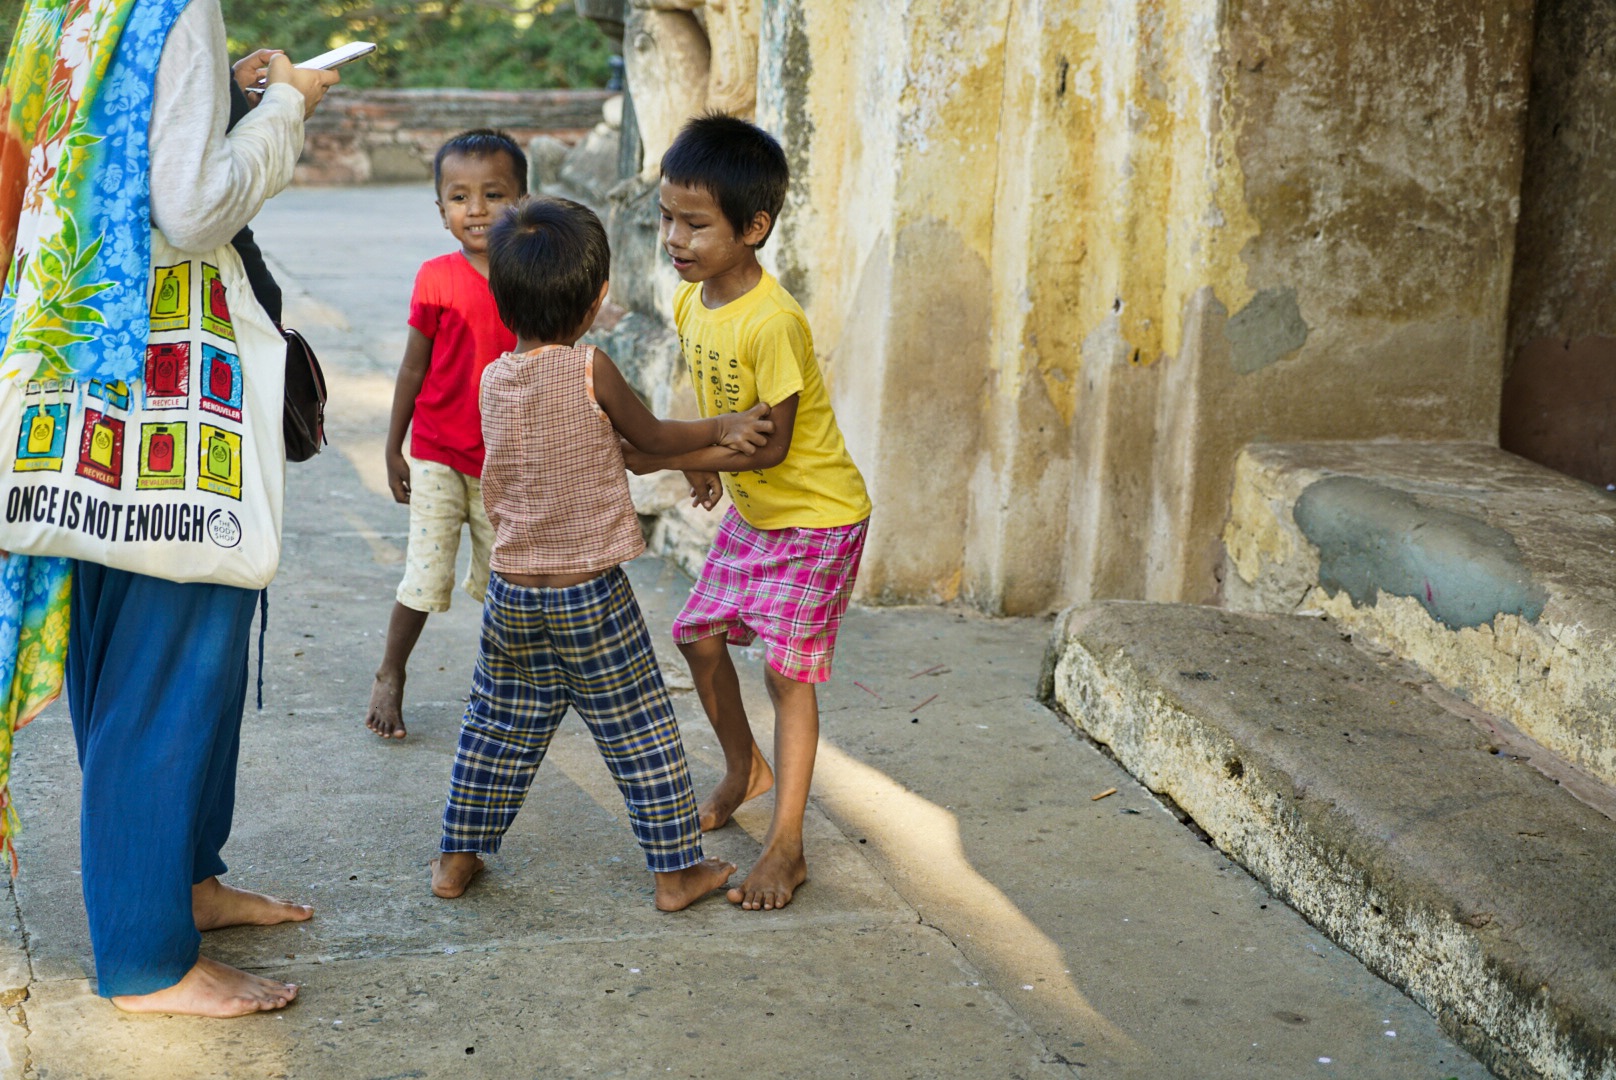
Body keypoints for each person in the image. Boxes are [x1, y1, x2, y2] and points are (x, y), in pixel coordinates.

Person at [0, 0, 337, 1017]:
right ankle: (150, 957)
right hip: (169, 378)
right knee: (171, 656)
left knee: (141, 643)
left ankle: (188, 879)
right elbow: (191, 213)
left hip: (79, 359)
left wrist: (229, 97)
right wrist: (285, 108)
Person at [430, 195, 773, 912]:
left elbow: (592, 449)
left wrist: (696, 452)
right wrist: (723, 430)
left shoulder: (494, 379)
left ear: (504, 296)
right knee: (640, 729)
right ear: (597, 298)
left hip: (514, 594)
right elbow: (648, 438)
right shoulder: (591, 370)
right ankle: (676, 872)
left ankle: (455, 858)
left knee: (495, 725)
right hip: (591, 595)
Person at [622, 114, 871, 912]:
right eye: (668, 219)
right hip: (758, 514)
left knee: (785, 674)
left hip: (818, 517)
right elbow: (725, 406)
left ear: (754, 227)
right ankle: (745, 768)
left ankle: (788, 845)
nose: (675, 238)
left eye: (695, 224)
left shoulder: (775, 321)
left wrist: (674, 455)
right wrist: (712, 470)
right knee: (696, 636)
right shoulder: (696, 302)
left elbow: (771, 444)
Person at [364, 129, 528, 740]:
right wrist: (393, 445)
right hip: (436, 452)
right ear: (441, 211)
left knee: (505, 586)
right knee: (425, 575)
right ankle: (390, 672)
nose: (478, 209)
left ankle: (499, 691)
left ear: (524, 200)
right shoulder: (436, 277)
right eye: (460, 197)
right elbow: (413, 366)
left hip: (506, 464)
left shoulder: (531, 278)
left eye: (494, 194)